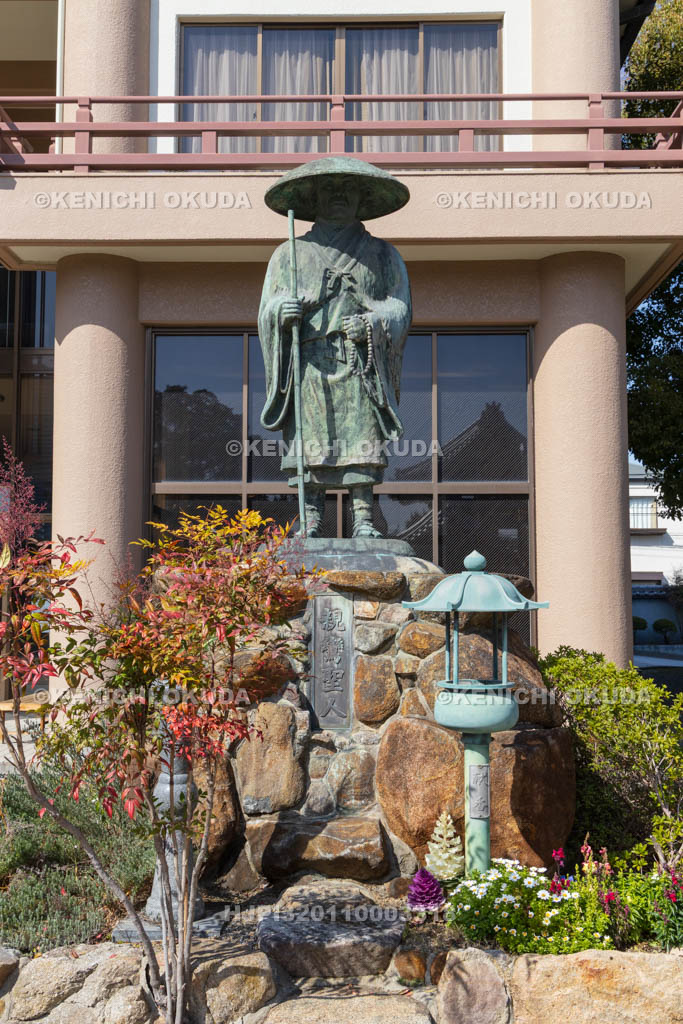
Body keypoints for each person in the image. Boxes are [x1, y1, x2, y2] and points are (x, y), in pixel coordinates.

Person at [258, 157, 412, 538]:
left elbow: (399, 307)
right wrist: (283, 312)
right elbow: (267, 309)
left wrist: (372, 323)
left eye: (349, 190)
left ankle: (363, 517)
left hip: (359, 360)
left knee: (361, 436)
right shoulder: (289, 254)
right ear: (314, 198)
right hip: (309, 363)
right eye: (330, 189)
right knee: (312, 440)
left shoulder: (382, 254)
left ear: (363, 198)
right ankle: (310, 517)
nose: (340, 196)